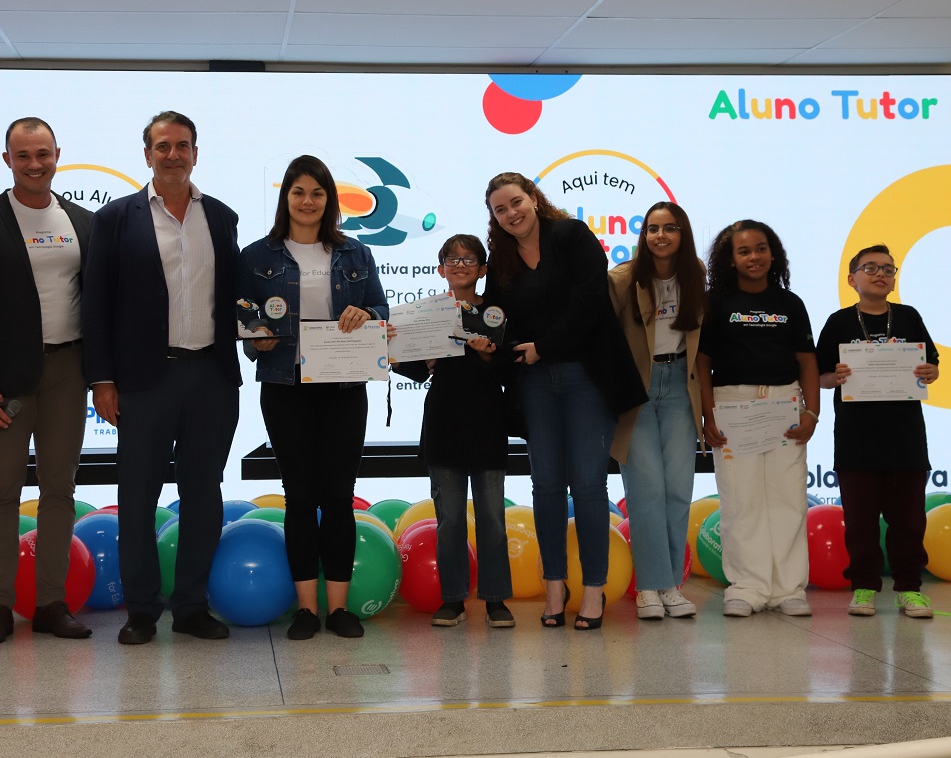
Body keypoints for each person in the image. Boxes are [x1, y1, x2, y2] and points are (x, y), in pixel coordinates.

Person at [82, 111, 241, 645]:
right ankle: (142, 610)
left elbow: (235, 297)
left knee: (203, 495)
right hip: (143, 381)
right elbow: (96, 304)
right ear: (147, 154)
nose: (173, 155)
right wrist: (102, 380)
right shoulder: (115, 219)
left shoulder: (221, 217)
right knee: (137, 497)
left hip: (211, 377)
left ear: (196, 153)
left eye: (183, 145)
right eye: (163, 146)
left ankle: (192, 606)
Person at [0, 117, 94, 646]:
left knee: (60, 489)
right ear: (7, 159)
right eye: (23, 155)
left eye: (43, 154)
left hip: (69, 371)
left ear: (58, 155)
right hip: (5, 382)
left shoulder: (84, 222)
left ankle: (51, 603)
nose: (34, 164)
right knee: (3, 491)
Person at [482, 173, 645, 631]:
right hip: (534, 381)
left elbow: (590, 301)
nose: (511, 213)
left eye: (516, 202)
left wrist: (544, 347)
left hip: (586, 375)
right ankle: (554, 586)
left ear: (534, 199)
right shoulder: (501, 259)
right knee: (547, 486)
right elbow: (497, 319)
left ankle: (593, 590)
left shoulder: (571, 235)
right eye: (500, 209)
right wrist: (492, 344)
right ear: (494, 218)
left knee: (589, 486)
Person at [237, 155, 388, 640]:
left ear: (330, 200)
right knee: (299, 497)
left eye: (317, 193)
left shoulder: (355, 254)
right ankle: (306, 609)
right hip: (285, 387)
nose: (307, 201)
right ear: (286, 198)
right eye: (298, 192)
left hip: (345, 388)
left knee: (339, 497)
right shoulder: (256, 255)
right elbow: (243, 314)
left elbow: (380, 307)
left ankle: (338, 609)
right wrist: (256, 338)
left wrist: (368, 316)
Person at [697, 219, 819, 618]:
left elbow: (807, 362)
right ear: (730, 259)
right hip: (733, 406)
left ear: (773, 254)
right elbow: (702, 363)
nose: (754, 257)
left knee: (788, 499)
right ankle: (746, 587)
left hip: (784, 404)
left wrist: (812, 412)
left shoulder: (790, 304)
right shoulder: (715, 303)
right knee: (740, 500)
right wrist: (707, 415)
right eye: (744, 251)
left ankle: (788, 589)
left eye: (761, 248)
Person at [393, 234, 514, 629]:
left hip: (488, 423)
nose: (460, 265)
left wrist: (486, 356)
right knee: (449, 521)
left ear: (483, 268)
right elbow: (412, 368)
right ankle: (453, 599)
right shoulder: (427, 314)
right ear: (440, 267)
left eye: (469, 259)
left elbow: (510, 370)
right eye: (453, 259)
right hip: (444, 424)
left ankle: (495, 599)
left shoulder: (496, 312)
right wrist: (398, 351)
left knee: (493, 518)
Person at [816, 245, 940, 618]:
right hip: (857, 439)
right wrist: (835, 377)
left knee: (909, 520)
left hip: (905, 438)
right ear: (852, 279)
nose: (880, 274)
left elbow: (931, 365)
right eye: (870, 268)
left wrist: (930, 372)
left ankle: (909, 589)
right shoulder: (839, 322)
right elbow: (820, 377)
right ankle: (864, 587)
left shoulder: (909, 316)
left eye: (888, 268)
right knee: (860, 521)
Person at [609, 202, 705, 620]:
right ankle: (650, 586)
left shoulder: (695, 274)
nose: (660, 236)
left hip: (681, 384)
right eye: (652, 228)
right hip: (639, 388)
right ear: (643, 235)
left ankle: (672, 586)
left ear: (683, 234)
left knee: (678, 490)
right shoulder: (623, 279)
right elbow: (604, 339)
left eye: (669, 228)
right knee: (645, 490)